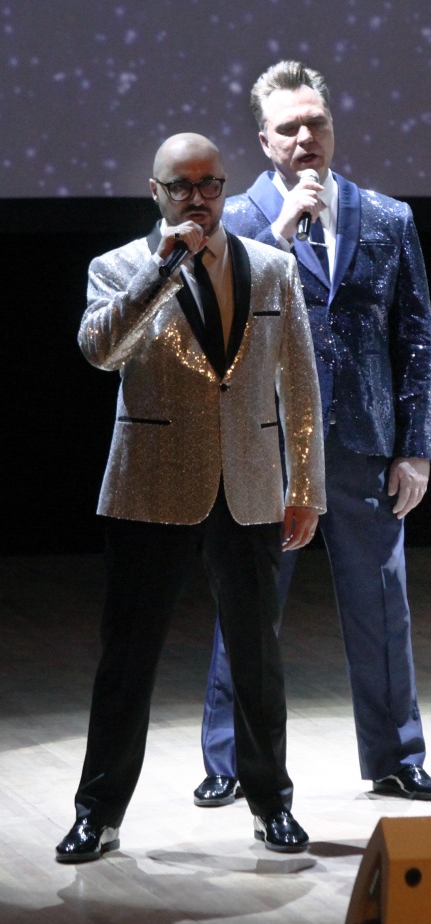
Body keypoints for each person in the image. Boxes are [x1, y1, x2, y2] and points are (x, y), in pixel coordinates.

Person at [57, 133, 325, 862]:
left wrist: (305, 484)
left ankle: (272, 803)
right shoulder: (118, 267)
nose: (198, 198)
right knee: (128, 658)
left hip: (248, 483)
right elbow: (100, 350)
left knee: (258, 658)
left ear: (225, 188)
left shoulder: (271, 267)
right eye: (182, 186)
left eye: (210, 184)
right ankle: (97, 812)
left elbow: (299, 382)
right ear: (157, 192)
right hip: (152, 482)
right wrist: (161, 268)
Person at [194, 61, 431, 807]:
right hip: (268, 444)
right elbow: (215, 324)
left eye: (317, 123)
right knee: (249, 605)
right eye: (290, 128)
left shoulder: (388, 218)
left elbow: (416, 338)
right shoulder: (237, 223)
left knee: (382, 603)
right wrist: (277, 234)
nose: (306, 138)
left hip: (363, 440)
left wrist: (416, 446)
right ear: (264, 141)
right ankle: (229, 759)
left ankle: (397, 756)